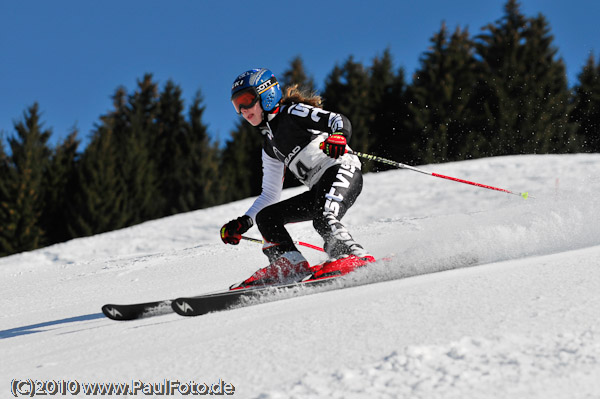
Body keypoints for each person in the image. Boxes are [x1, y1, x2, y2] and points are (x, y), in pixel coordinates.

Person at [220, 68, 373, 286]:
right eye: (237, 105)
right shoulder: (269, 146)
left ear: (266, 94)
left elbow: (338, 120)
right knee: (267, 217)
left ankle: (352, 255)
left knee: (323, 217)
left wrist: (339, 136)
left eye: (246, 100)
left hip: (341, 169)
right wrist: (243, 222)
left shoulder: (291, 113)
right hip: (318, 187)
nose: (243, 110)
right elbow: (270, 194)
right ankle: (289, 264)